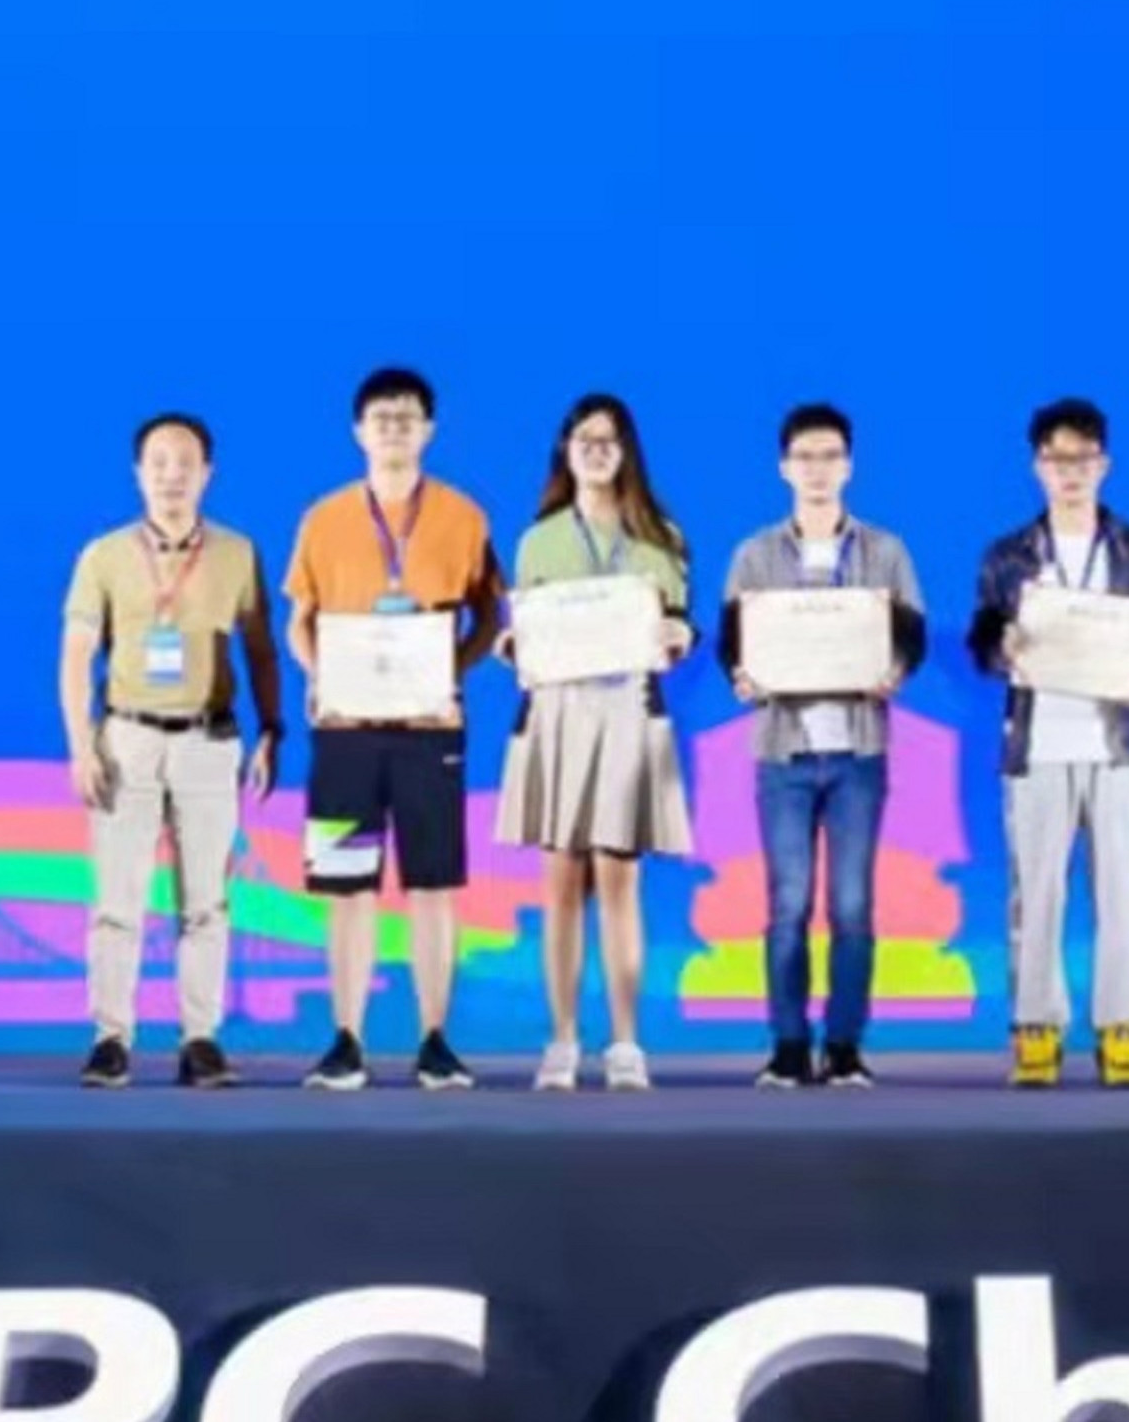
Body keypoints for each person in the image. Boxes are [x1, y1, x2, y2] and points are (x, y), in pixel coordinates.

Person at [284, 367, 503, 1091]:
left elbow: (491, 616)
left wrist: (450, 673)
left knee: (434, 884)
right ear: (359, 431)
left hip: (429, 729)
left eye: (407, 418)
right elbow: (299, 621)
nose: (394, 429)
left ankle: (435, 1040)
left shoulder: (464, 516)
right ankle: (346, 1039)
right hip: (345, 730)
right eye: (381, 418)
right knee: (348, 887)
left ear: (429, 430)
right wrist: (320, 676)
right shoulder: (323, 518)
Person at [57, 412, 282, 1088]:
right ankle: (111, 1037)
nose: (171, 475)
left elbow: (261, 650)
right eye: (158, 462)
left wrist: (273, 728)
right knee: (117, 899)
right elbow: (76, 655)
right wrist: (81, 746)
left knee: (207, 900)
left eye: (185, 462)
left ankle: (200, 1039)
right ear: (138, 473)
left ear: (207, 472)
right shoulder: (102, 555)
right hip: (127, 737)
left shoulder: (238, 552)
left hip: (209, 739)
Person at [964, 397, 1129, 1090]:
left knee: (1123, 895)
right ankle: (1037, 1030)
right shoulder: (1008, 555)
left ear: (1103, 464)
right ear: (1038, 466)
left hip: (1119, 741)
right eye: (1057, 459)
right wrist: (1000, 644)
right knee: (1036, 895)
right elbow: (980, 638)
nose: (1070, 471)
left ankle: (1123, 1032)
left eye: (1082, 458)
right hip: (1037, 741)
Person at [495, 393, 700, 1090]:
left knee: (619, 878)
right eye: (584, 439)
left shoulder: (661, 538)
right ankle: (561, 1040)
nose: (596, 451)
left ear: (626, 452)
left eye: (609, 440)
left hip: (628, 709)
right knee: (559, 882)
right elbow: (527, 630)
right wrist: (513, 646)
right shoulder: (539, 540)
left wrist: (681, 634)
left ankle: (625, 1041)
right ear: (566, 450)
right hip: (556, 713)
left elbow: (680, 626)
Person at [718, 402, 926, 1089]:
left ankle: (843, 1047)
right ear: (784, 467)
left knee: (852, 907)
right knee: (787, 906)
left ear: (849, 466)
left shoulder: (885, 552)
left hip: (858, 751)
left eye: (830, 455)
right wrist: (741, 675)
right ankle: (787, 1046)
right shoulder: (753, 555)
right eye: (805, 456)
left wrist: (896, 669)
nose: (817, 469)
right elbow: (733, 643)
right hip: (784, 752)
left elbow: (911, 636)